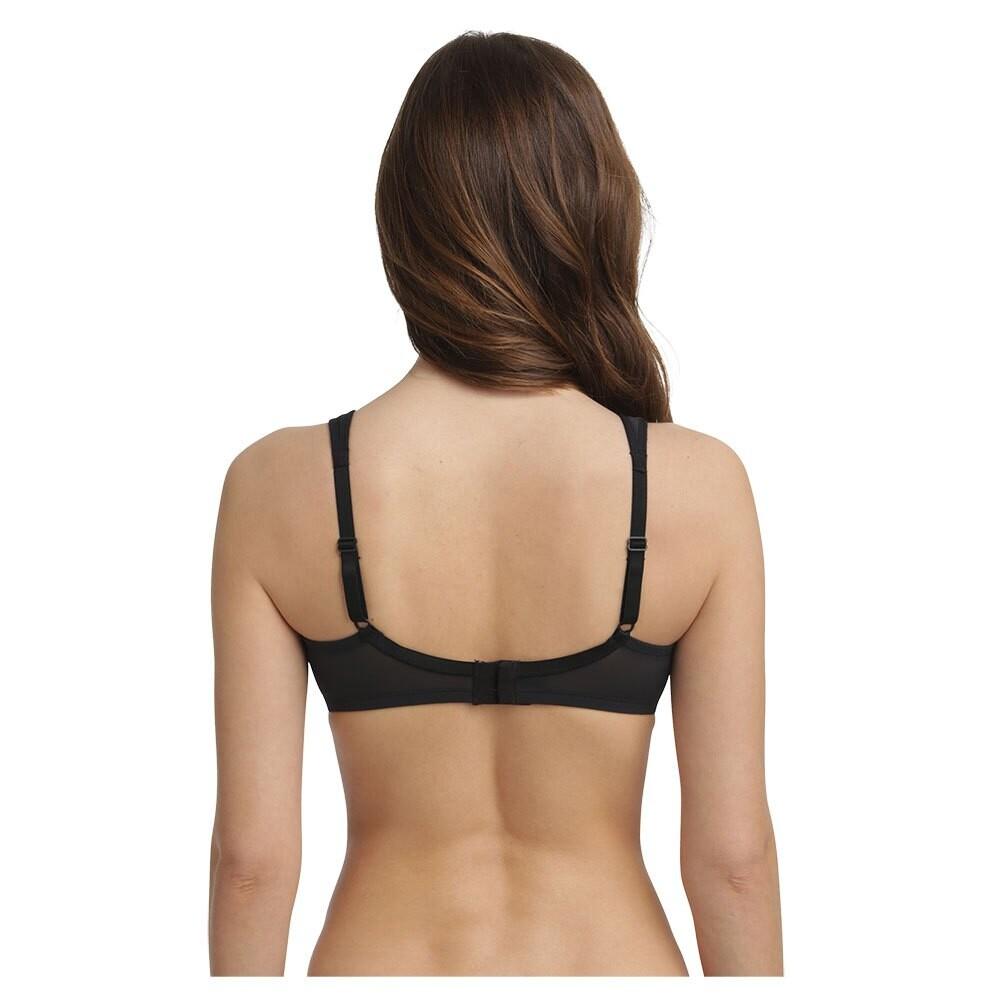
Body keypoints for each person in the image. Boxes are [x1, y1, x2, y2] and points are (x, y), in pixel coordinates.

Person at [208, 30, 782, 976]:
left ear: (404, 222)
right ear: (594, 210)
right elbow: (733, 863)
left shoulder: (277, 486)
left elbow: (250, 865)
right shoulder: (698, 487)